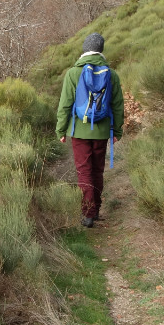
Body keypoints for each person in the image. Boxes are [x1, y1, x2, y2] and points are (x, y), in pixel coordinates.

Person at [56, 32, 124, 228]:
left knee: (84, 172)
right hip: (102, 132)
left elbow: (65, 105)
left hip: (79, 131)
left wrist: (61, 130)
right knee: (97, 171)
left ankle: (88, 213)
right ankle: (96, 210)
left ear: (84, 49)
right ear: (101, 50)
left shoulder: (73, 73)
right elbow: (118, 105)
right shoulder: (111, 74)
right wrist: (117, 131)